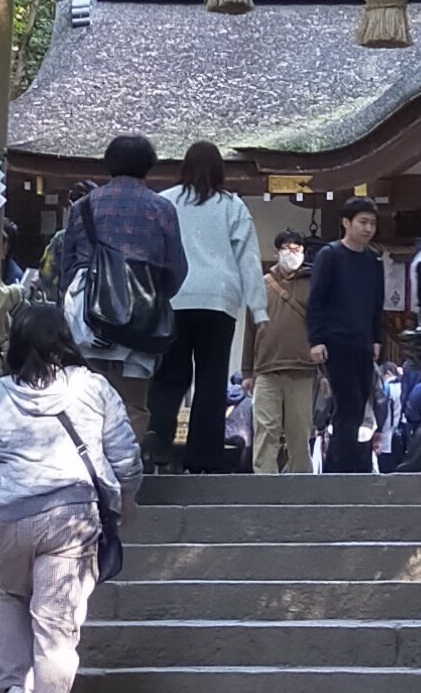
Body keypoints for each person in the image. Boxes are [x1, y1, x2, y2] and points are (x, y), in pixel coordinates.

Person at [0, 300, 140, 693]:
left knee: (12, 591)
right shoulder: (94, 388)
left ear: (15, 345)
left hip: (8, 517)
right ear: (65, 340)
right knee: (56, 627)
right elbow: (127, 458)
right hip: (70, 516)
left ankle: (15, 690)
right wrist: (124, 501)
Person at [53, 131, 187, 435]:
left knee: (85, 402)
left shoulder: (83, 207)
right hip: (141, 319)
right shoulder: (162, 208)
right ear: (148, 165)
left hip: (90, 320)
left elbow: (67, 267)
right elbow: (176, 268)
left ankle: (88, 460)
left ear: (109, 162)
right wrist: (154, 298)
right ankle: (125, 461)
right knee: (133, 406)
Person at [155, 138, 269, 471]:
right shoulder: (232, 206)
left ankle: (158, 446)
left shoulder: (165, 202)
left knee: (170, 377)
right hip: (219, 302)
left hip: (174, 298)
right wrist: (259, 309)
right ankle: (204, 458)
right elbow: (248, 260)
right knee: (212, 379)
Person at [304, 197, 389, 469]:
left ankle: (350, 465)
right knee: (348, 403)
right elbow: (316, 300)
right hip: (335, 341)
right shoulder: (330, 255)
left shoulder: (373, 260)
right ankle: (341, 468)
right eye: (362, 222)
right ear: (346, 223)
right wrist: (316, 339)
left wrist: (377, 338)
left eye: (372, 223)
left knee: (361, 405)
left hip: (362, 343)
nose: (368, 228)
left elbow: (377, 304)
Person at [247, 232, 319, 473]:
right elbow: (250, 330)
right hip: (266, 370)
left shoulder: (313, 284)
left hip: (302, 370)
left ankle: (301, 486)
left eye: (298, 249)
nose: (293, 253)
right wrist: (247, 371)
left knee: (300, 436)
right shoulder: (261, 285)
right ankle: (265, 484)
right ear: (276, 251)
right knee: (265, 433)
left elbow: (321, 326)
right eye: (288, 248)